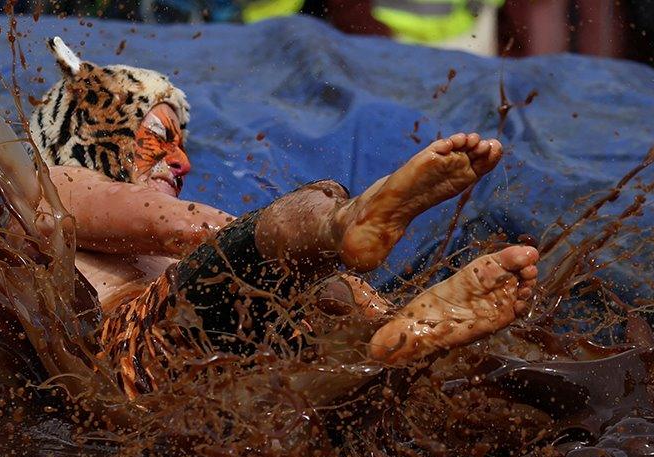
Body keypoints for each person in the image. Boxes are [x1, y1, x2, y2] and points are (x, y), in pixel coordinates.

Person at [26, 38, 539, 399]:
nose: (182, 162)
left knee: (321, 355)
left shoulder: (164, 260)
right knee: (293, 223)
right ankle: (340, 224)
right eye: (157, 137)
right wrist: (282, 238)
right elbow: (174, 224)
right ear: (92, 139)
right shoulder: (55, 185)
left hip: (216, 388)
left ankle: (395, 343)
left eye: (181, 144)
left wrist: (375, 311)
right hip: (141, 344)